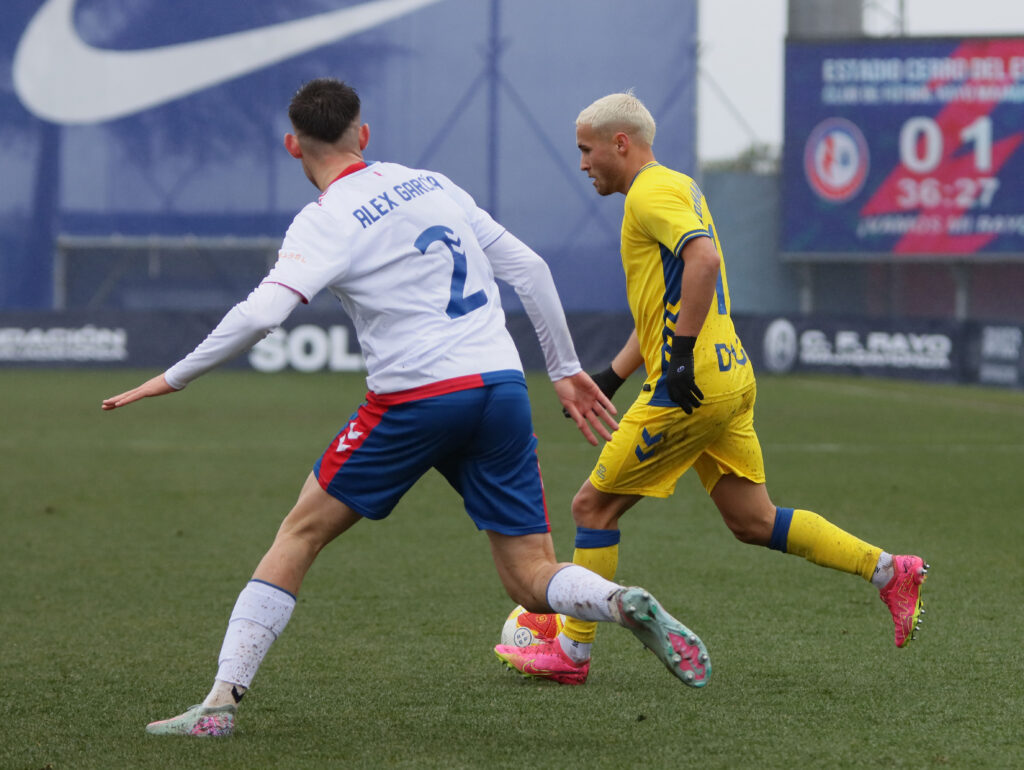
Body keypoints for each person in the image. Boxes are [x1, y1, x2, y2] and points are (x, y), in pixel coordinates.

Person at [102, 79, 713, 737]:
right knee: (531, 576)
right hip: (501, 388)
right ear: (362, 136)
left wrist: (174, 376)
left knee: (299, 533)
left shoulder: (324, 218)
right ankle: (618, 602)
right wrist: (564, 370)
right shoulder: (430, 183)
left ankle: (218, 706)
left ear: (292, 146)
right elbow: (530, 268)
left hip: (418, 397)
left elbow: (264, 312)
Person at [494, 91, 928, 685]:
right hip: (727, 376)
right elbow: (670, 301)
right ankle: (889, 572)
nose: (582, 163)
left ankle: (571, 654)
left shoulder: (650, 192)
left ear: (620, 144)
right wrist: (613, 376)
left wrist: (676, 358)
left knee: (591, 507)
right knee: (753, 520)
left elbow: (705, 262)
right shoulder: (674, 186)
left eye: (586, 150)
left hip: (692, 387)